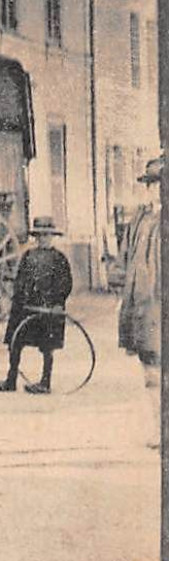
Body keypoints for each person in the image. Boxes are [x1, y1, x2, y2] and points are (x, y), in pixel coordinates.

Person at [0, 217, 72, 395]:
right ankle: (10, 380)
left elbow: (65, 284)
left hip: (48, 309)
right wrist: (19, 300)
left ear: (52, 236)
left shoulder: (59, 259)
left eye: (46, 235)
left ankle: (45, 382)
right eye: (39, 236)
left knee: (47, 346)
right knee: (15, 342)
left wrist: (57, 304)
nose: (43, 239)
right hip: (26, 308)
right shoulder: (28, 256)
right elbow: (20, 280)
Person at [118, 156, 162, 444]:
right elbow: (125, 259)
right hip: (141, 306)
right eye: (151, 184)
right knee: (150, 371)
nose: (154, 190)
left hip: (160, 305)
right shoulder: (141, 219)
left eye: (159, 184)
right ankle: (159, 430)